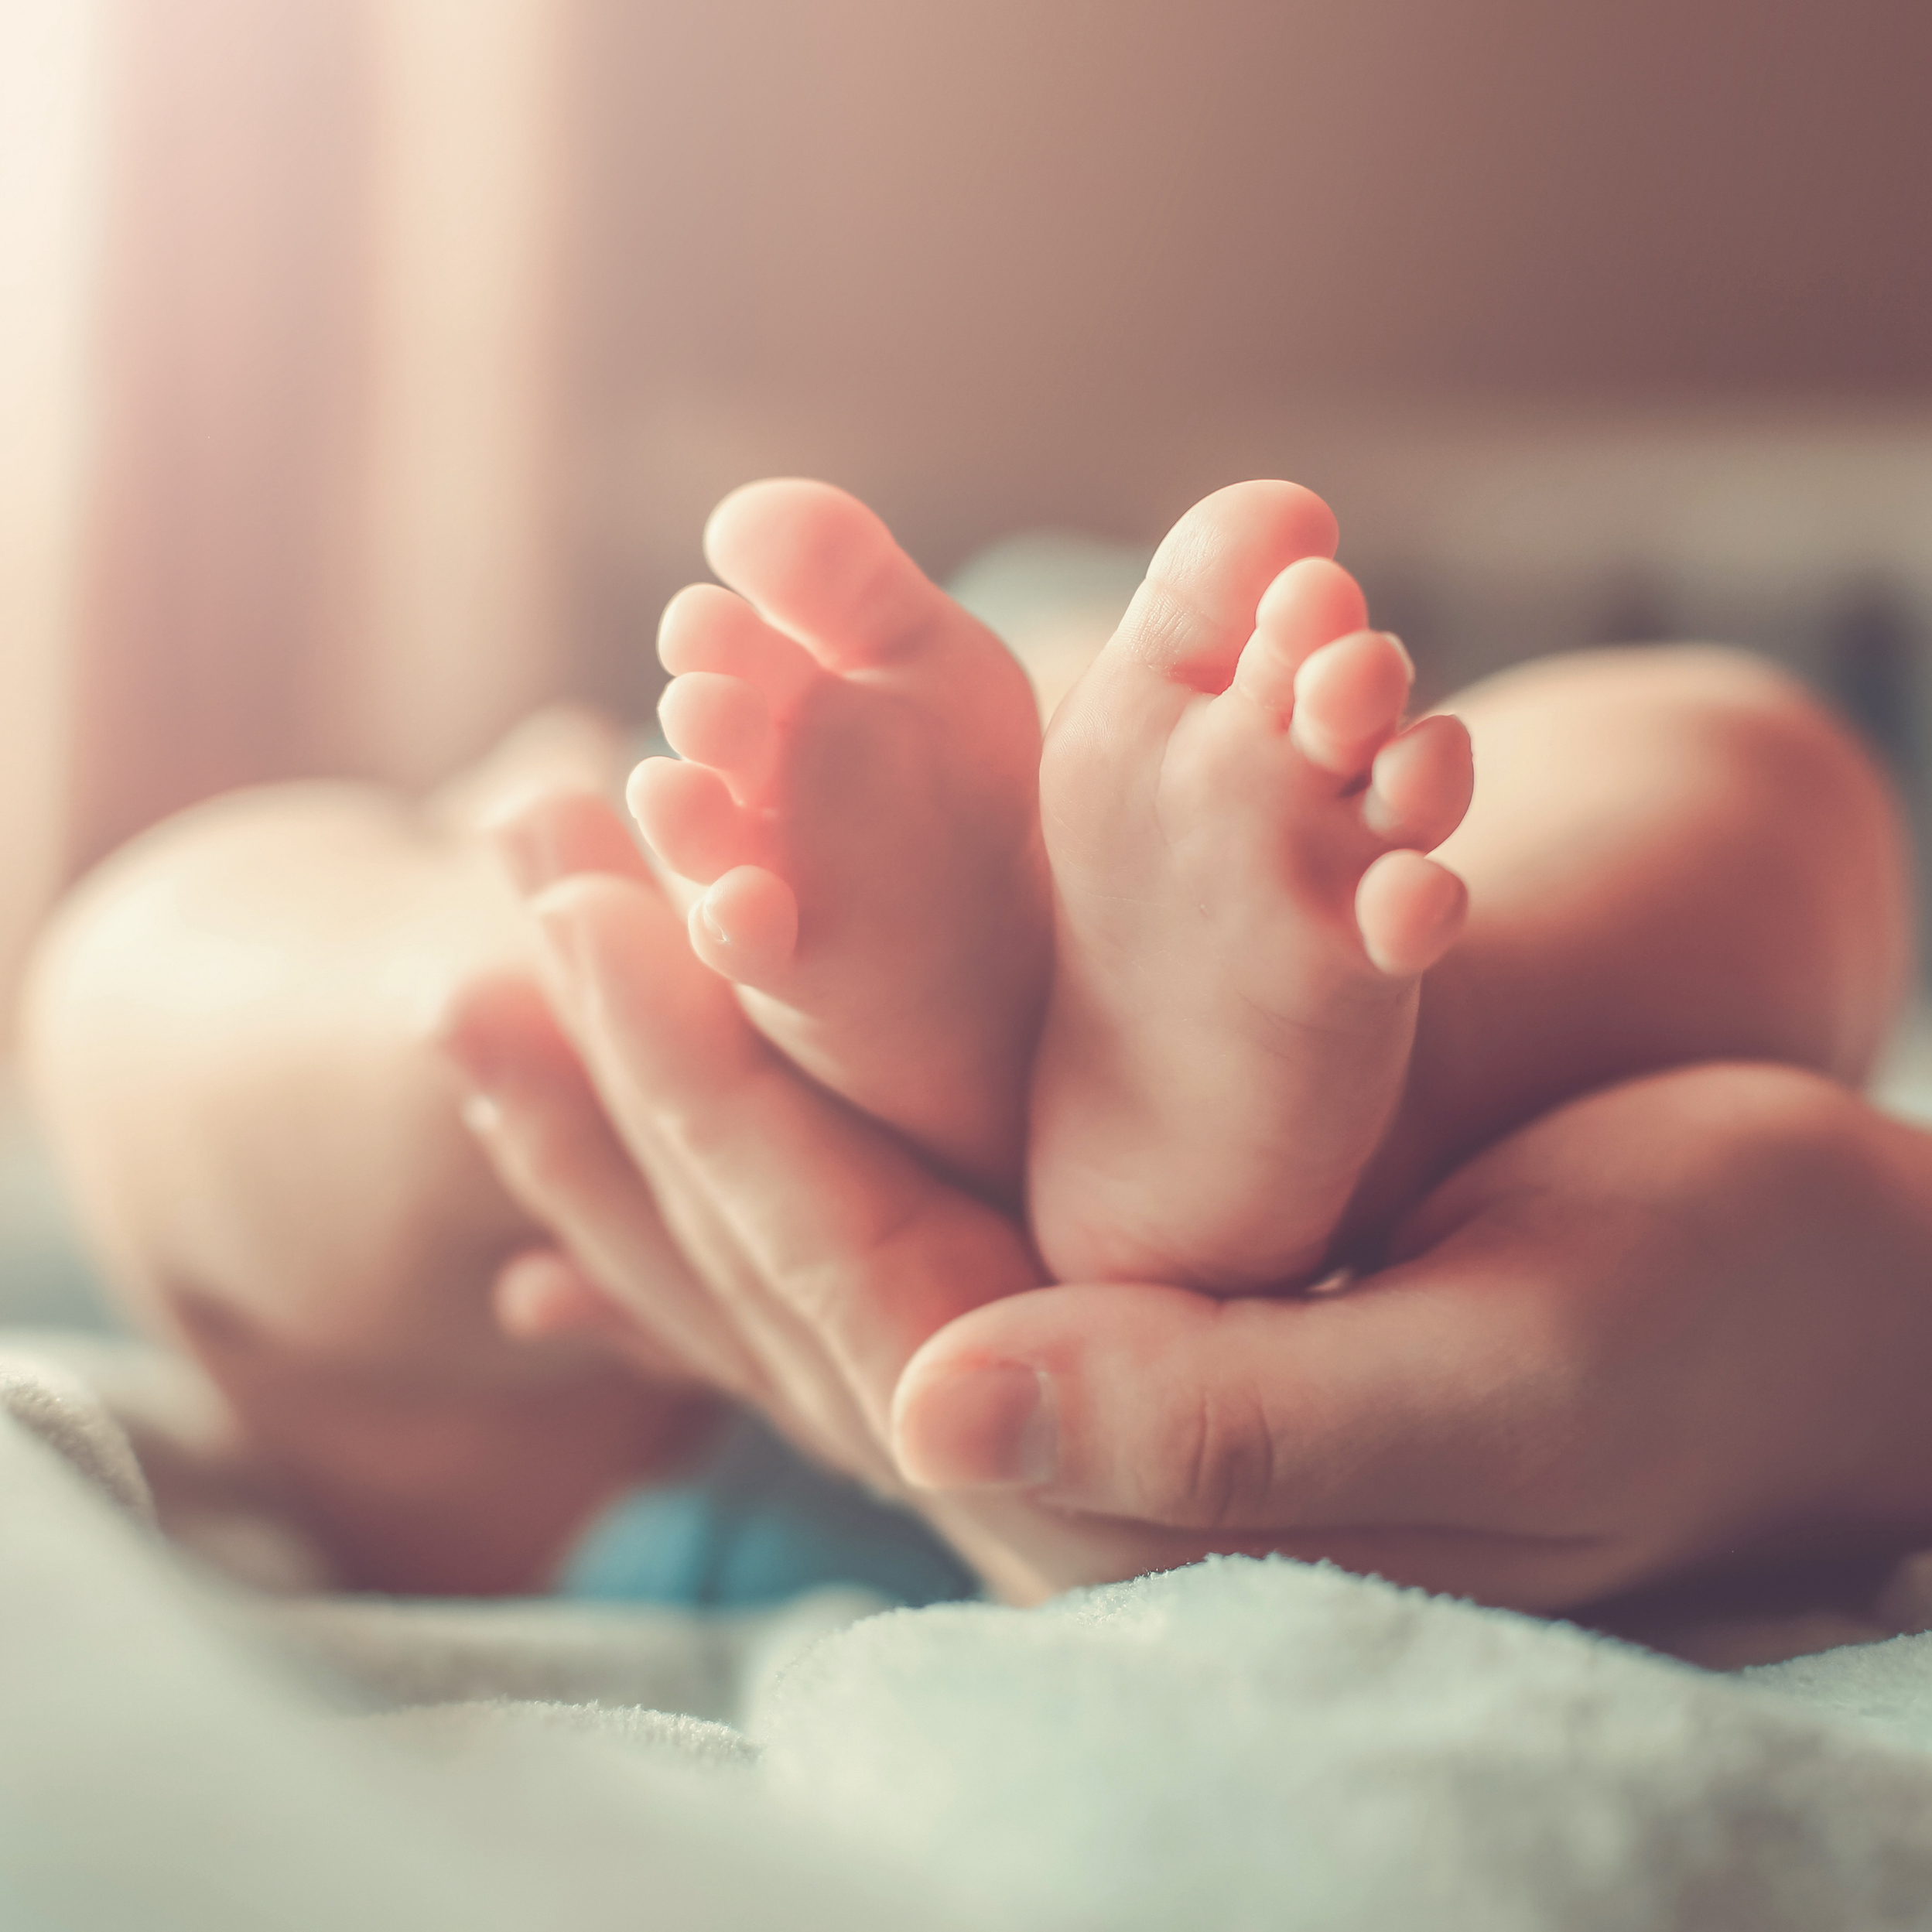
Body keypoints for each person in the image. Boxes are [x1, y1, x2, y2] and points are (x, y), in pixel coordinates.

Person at [22, 476, 1932, 1613]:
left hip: (651, 1368)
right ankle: (1333, 1059)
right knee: (1765, 775)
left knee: (149, 966)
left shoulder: (878, 751)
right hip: (654, 1268)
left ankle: (1382, 1061)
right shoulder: (760, 777)